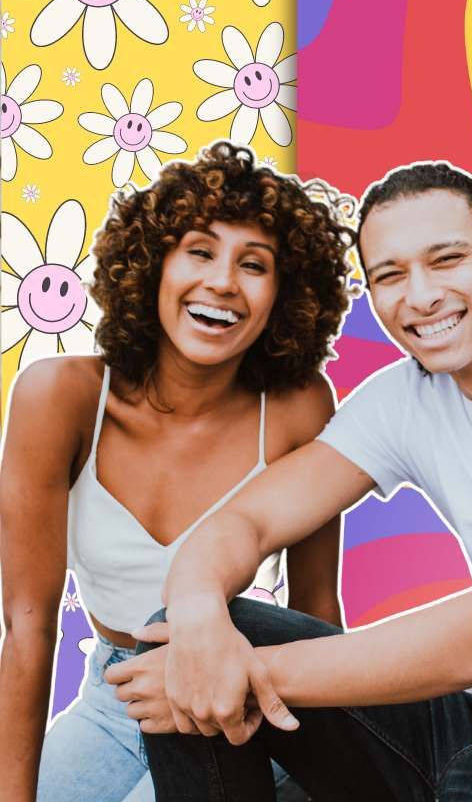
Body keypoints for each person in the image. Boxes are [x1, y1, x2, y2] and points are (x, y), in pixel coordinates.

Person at [109, 160, 472, 801]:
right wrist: (199, 623)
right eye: (390, 275)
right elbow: (244, 522)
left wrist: (237, 673)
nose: (419, 296)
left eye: (446, 260)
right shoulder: (404, 398)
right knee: (182, 637)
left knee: (202, 669)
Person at [0, 142, 352, 802]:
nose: (223, 281)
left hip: (239, 697)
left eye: (254, 266)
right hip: (115, 697)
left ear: (283, 296)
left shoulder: (298, 409)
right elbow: (27, 626)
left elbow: (316, 610)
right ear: (153, 265)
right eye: (199, 251)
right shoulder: (61, 398)